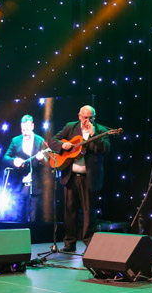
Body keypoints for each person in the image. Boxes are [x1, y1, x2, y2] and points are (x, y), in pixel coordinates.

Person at [48, 105, 111, 253]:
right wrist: (63, 145)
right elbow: (52, 140)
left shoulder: (101, 130)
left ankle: (90, 245)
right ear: (79, 116)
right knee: (70, 211)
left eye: (90, 118)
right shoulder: (70, 127)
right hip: (70, 176)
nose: (87, 120)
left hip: (89, 177)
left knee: (89, 212)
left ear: (94, 117)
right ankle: (69, 243)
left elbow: (106, 149)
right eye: (85, 117)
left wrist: (93, 134)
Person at [4, 114, 49, 222]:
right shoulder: (15, 140)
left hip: (35, 185)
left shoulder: (40, 141)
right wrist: (14, 161)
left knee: (33, 218)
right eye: (23, 130)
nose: (25, 132)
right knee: (18, 217)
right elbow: (5, 158)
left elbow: (48, 162)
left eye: (27, 129)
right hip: (19, 186)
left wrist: (41, 159)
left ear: (32, 126)